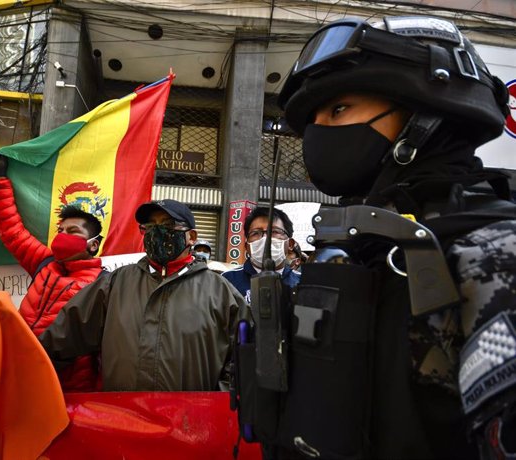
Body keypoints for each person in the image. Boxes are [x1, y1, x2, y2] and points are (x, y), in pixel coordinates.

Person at [270, 14, 515, 459]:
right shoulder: (361, 248)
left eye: (339, 108)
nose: (320, 130)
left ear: (426, 111)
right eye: (314, 120)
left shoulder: (496, 253)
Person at [39, 199, 250, 391]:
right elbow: (60, 339)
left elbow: (244, 361)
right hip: (123, 421)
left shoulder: (220, 292)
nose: (157, 232)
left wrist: (216, 405)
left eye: (167, 225)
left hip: (190, 426)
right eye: (149, 227)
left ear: (191, 236)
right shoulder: (114, 284)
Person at [0, 152, 104, 392]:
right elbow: (11, 229)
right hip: (16, 370)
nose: (63, 236)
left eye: (73, 231)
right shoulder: (44, 262)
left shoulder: (104, 286)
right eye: (61, 230)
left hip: (67, 387)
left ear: (93, 244)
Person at [223, 207, 300, 304]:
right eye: (255, 233)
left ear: (290, 244)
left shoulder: (304, 283)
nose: (265, 239)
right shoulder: (227, 281)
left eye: (274, 231)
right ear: (246, 246)